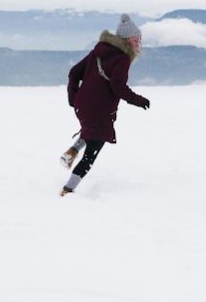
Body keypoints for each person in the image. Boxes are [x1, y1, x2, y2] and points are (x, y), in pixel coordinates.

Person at [58, 13, 150, 196]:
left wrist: (73, 98)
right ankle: (67, 191)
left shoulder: (98, 52)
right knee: (93, 150)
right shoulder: (122, 58)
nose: (139, 42)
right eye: (136, 39)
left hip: (83, 107)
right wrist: (138, 100)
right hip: (99, 110)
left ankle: (71, 152)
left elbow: (73, 73)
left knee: (91, 130)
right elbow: (118, 87)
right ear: (126, 40)